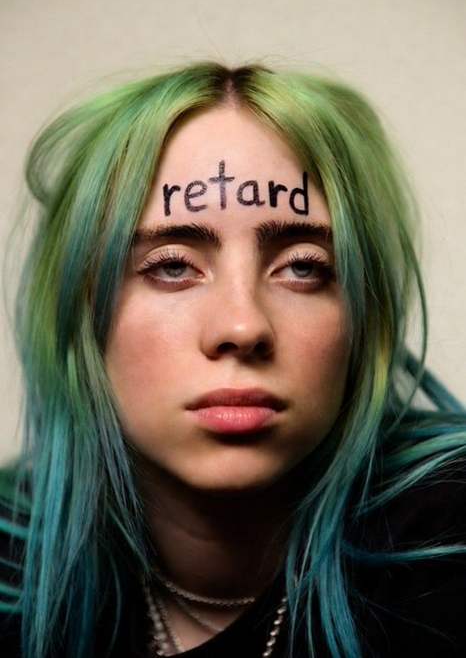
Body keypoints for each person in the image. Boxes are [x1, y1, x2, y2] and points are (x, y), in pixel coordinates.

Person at [0, 62, 465, 658]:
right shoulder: (13, 572)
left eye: (303, 267)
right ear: (80, 308)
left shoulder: (446, 544)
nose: (243, 327)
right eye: (172, 266)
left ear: (362, 314)